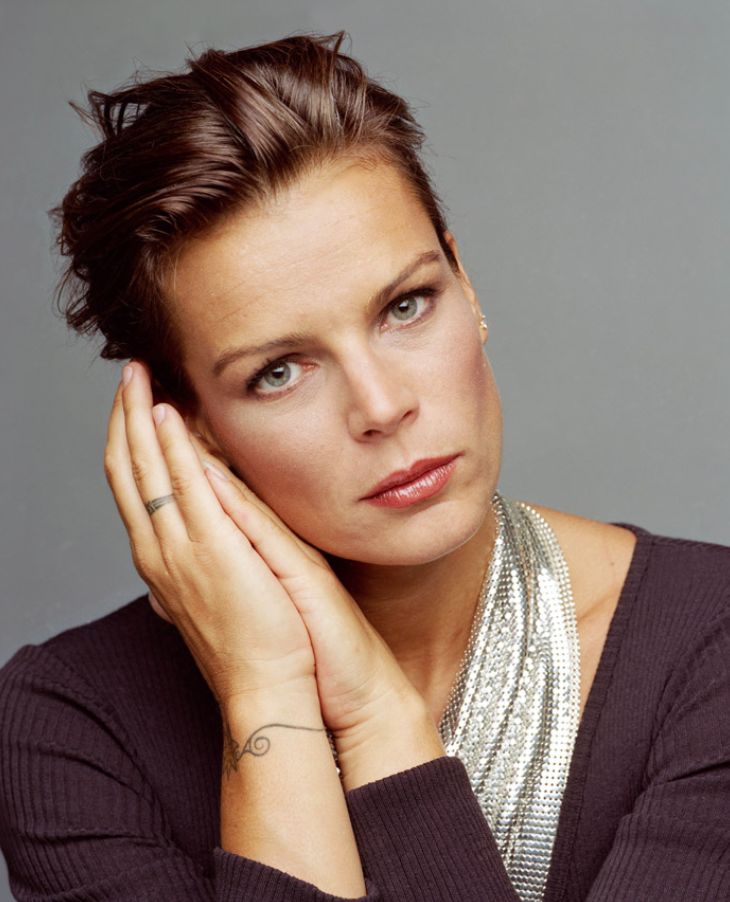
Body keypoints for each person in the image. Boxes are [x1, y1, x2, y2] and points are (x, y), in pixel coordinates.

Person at [0, 30, 728, 902]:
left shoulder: (708, 646)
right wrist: (267, 691)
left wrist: (375, 716)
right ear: (190, 426)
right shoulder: (73, 724)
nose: (383, 407)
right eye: (279, 372)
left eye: (406, 306)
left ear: (468, 285)